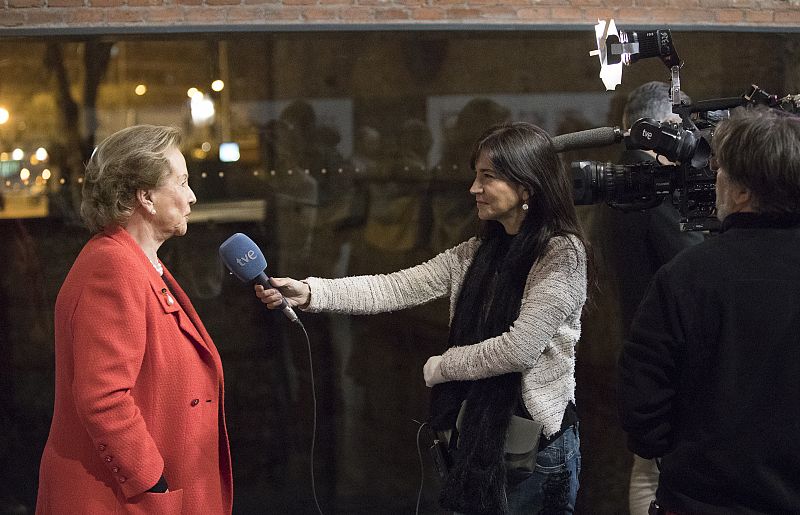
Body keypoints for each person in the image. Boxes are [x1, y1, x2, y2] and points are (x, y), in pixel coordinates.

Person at [256, 122, 589, 514]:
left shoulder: (562, 254)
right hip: (481, 442)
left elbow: (520, 349)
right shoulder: (477, 252)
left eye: (488, 177)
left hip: (538, 450)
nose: (473, 188)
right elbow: (393, 287)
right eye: (475, 176)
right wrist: (310, 291)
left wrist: (445, 367)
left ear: (527, 186)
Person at [36, 125, 232, 514]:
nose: (192, 197)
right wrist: (151, 478)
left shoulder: (135, 261)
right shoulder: (113, 267)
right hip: (119, 500)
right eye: (182, 182)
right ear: (146, 197)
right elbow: (103, 397)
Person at [618, 107, 800, 514]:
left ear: (742, 192)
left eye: (721, 169)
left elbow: (642, 408)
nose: (712, 178)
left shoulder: (685, 277)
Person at [617, 81, 705, 515]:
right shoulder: (648, 190)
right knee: (654, 474)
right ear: (660, 128)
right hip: (666, 355)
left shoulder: (623, 182)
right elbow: (696, 262)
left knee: (647, 469)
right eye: (681, 128)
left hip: (642, 343)